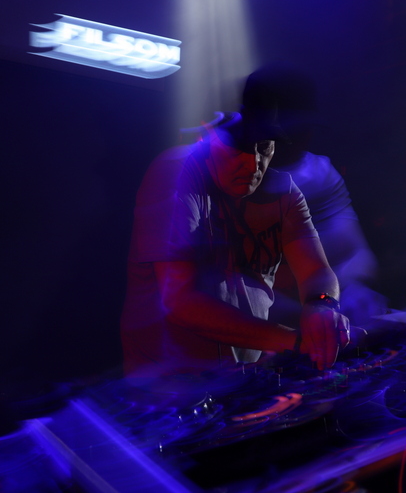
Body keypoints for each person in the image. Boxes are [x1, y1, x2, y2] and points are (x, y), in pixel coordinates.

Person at [120, 70, 350, 377]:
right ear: (212, 137)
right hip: (165, 383)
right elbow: (181, 300)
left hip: (239, 379)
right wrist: (296, 341)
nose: (253, 164)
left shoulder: (285, 191)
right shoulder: (176, 173)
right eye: (239, 148)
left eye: (264, 148)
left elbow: (317, 272)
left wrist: (322, 306)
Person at [252, 63, 386, 327]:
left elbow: (354, 253)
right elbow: (221, 288)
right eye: (288, 130)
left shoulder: (319, 173)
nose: (300, 139)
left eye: (304, 127)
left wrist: (352, 290)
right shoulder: (216, 178)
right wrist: (314, 313)